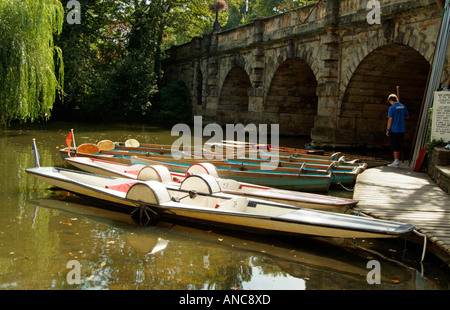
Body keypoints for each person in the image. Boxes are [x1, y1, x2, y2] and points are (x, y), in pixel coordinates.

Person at [386, 94, 409, 168]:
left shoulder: (391, 108)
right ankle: (397, 160)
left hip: (394, 129)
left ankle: (396, 161)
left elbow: (390, 119)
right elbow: (407, 116)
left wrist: (388, 129)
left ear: (391, 100)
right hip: (401, 129)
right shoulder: (403, 106)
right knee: (399, 144)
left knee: (394, 145)